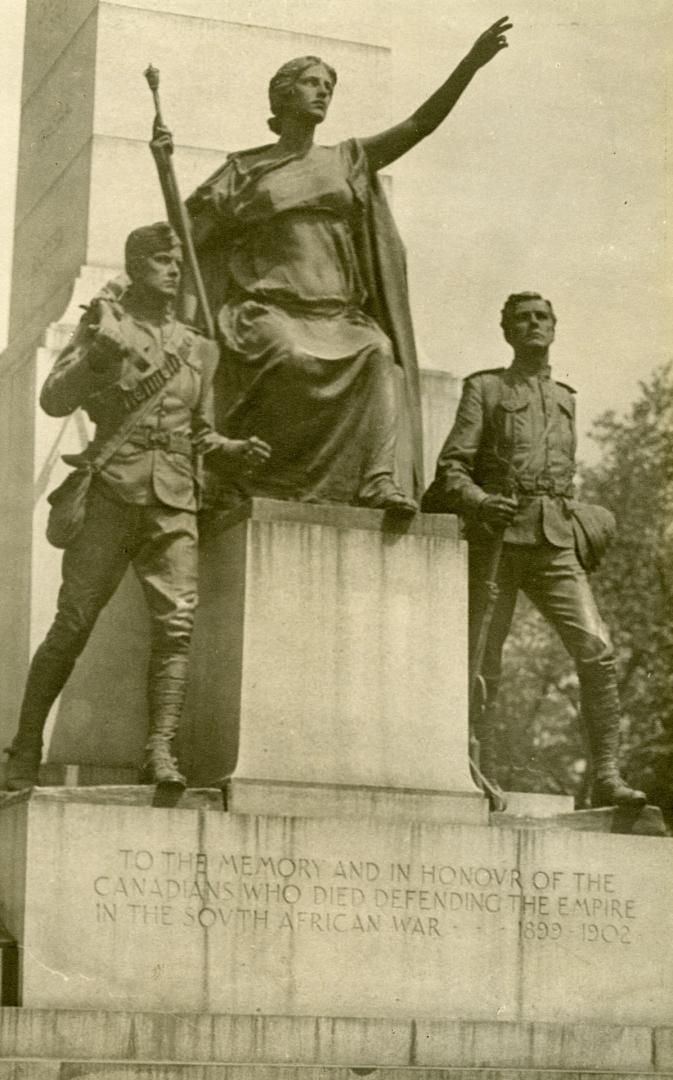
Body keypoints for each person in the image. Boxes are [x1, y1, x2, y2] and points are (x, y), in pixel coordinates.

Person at [151, 17, 513, 512]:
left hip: (337, 314)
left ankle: (377, 481)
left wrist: (469, 65)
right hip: (269, 310)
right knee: (289, 354)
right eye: (311, 83)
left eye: (328, 86)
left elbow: (418, 125)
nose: (322, 92)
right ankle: (259, 472)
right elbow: (192, 238)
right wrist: (166, 172)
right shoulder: (244, 169)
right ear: (282, 96)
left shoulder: (347, 159)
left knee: (377, 351)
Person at [3, 223, 270, 793]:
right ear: (135, 265)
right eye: (159, 260)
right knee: (72, 624)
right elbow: (54, 399)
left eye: (176, 262)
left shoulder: (198, 347)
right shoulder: (104, 323)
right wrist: (98, 358)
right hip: (110, 492)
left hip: (174, 501)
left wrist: (234, 450)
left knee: (176, 626)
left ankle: (160, 752)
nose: (172, 270)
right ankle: (25, 747)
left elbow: (202, 432)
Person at [422, 292, 646, 809]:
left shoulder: (566, 397)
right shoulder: (485, 388)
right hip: (498, 539)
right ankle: (469, 764)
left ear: (554, 327)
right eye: (521, 319)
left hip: (555, 543)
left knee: (597, 650)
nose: (532, 325)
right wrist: (479, 501)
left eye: (541, 317)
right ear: (506, 332)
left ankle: (607, 774)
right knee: (484, 661)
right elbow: (451, 467)